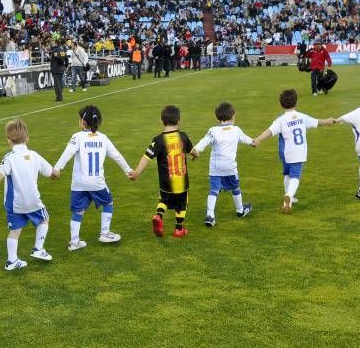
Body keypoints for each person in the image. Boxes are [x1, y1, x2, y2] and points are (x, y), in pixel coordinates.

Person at [53, 105, 133, 251]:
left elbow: (67, 154)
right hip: (97, 182)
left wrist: (57, 169)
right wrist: (128, 171)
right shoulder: (103, 138)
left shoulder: (76, 137)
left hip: (78, 183)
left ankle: (74, 242)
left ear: (83, 121)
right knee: (108, 202)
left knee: (77, 211)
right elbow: (117, 155)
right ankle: (104, 233)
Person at [0, 118, 58, 270]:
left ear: (8, 141)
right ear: (28, 138)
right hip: (33, 201)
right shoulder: (34, 155)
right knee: (44, 219)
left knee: (14, 231)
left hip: (15, 203)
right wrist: (55, 173)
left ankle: (12, 260)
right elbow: (51, 172)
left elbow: (1, 173)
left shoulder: (9, 158)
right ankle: (38, 248)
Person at [254, 89, 335, 214]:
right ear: (296, 102)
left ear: (281, 104)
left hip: (285, 153)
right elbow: (317, 122)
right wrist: (328, 121)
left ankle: (289, 195)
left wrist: (258, 139)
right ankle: (289, 197)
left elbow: (270, 131)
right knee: (295, 176)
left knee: (287, 173)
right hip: (298, 152)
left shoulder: (281, 120)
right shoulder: (302, 117)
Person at [129, 105, 198, 238]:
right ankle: (179, 229)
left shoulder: (158, 140)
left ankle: (158, 215)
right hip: (182, 181)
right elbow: (193, 151)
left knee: (164, 200)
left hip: (166, 181)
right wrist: (196, 155)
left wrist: (136, 172)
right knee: (181, 204)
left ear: (161, 121)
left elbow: (146, 157)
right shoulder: (183, 137)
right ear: (179, 121)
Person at [191, 102, 255, 227]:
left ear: (217, 118)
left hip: (215, 167)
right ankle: (240, 210)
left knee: (213, 190)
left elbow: (204, 142)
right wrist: (255, 141)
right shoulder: (236, 130)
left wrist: (196, 150)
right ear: (233, 116)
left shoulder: (213, 130)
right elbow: (250, 141)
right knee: (235, 188)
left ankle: (210, 215)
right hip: (230, 167)